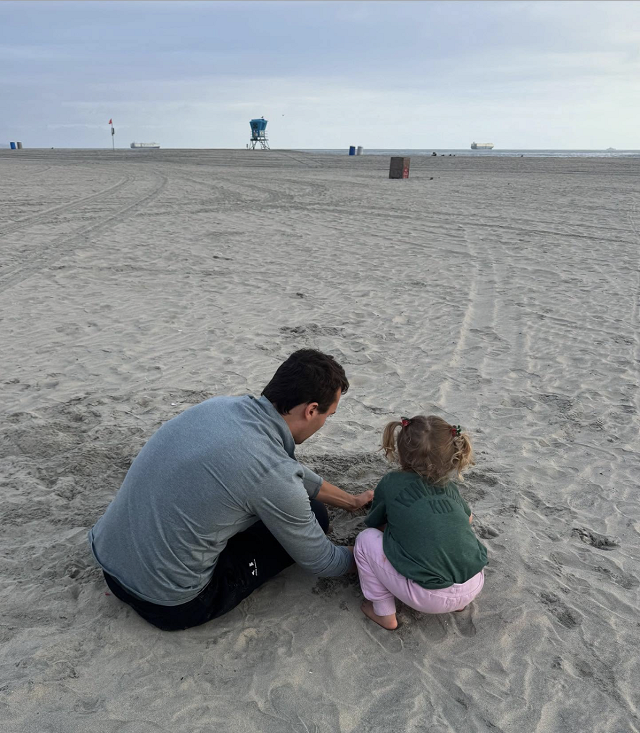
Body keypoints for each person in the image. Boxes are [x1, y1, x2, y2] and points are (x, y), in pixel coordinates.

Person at [88, 349, 373, 631]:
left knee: (290, 504)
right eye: (328, 415)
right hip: (168, 602)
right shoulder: (273, 473)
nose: (325, 422)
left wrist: (350, 501)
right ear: (311, 410)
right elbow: (322, 560)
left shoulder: (221, 407)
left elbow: (282, 471)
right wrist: (377, 558)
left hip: (111, 563)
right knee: (315, 517)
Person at [354, 416, 487, 630]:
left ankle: (384, 613)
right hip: (474, 582)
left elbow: (375, 525)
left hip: (428, 596)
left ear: (400, 453)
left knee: (364, 540)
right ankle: (459, 604)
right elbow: (468, 519)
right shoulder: (450, 487)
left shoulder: (391, 482)